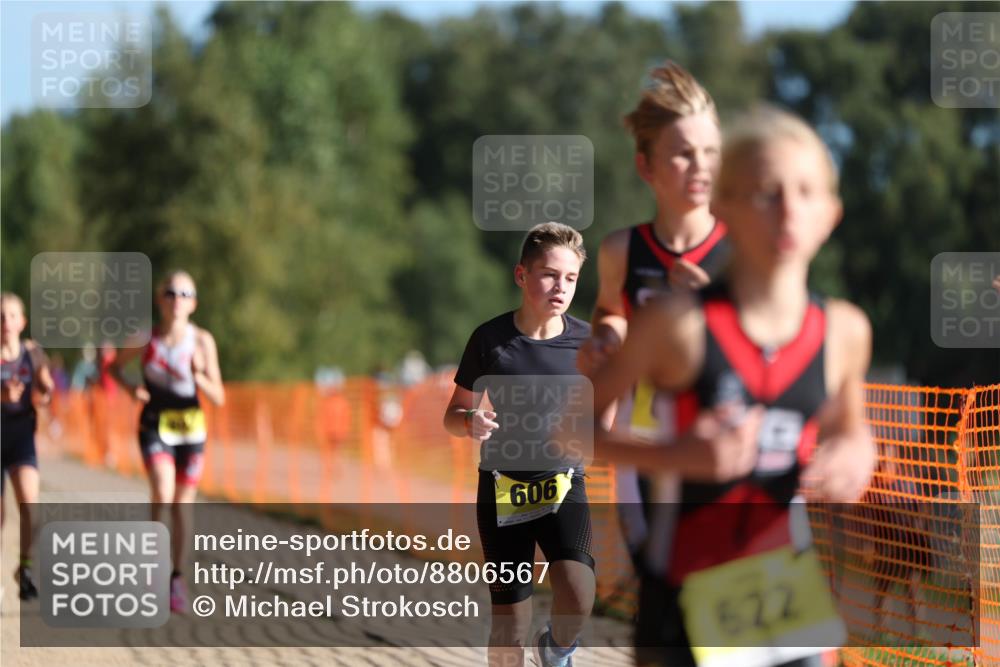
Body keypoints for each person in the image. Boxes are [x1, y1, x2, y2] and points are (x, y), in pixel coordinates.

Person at [586, 107, 876, 666]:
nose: (789, 211)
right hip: (686, 591)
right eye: (766, 192)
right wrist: (677, 456)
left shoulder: (844, 330)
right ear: (724, 207)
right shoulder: (678, 325)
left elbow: (851, 430)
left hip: (786, 588)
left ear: (832, 213)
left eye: (807, 192)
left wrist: (855, 454)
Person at [576, 61, 730, 568]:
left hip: (721, 442)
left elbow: (772, 341)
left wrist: (713, 300)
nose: (700, 166)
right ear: (647, 167)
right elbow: (609, 309)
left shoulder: (740, 252)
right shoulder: (623, 249)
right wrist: (606, 336)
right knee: (656, 583)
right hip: (643, 441)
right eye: (683, 154)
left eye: (710, 152)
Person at [444, 222, 595, 667]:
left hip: (565, 483)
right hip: (502, 489)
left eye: (570, 278)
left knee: (579, 592)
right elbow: (453, 415)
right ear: (521, 275)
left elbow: (604, 414)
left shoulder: (587, 342)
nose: (560, 287)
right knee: (510, 625)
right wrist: (470, 421)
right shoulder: (490, 340)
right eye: (549, 274)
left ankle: (556, 649)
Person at [109, 270, 225, 613]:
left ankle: (177, 578)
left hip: (190, 427)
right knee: (161, 490)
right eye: (171, 293)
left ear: (194, 304)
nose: (178, 300)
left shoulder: (203, 341)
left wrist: (200, 374)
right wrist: (132, 388)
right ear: (160, 300)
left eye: (185, 294)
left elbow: (218, 396)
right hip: (154, 423)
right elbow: (115, 367)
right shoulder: (145, 339)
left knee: (182, 504)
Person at [1, 292, 54, 601]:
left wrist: (42, 396)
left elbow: (46, 388)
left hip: (21, 438)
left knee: (31, 507)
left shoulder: (32, 354)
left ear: (22, 322)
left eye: (10, 315)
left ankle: (26, 569)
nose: (5, 322)